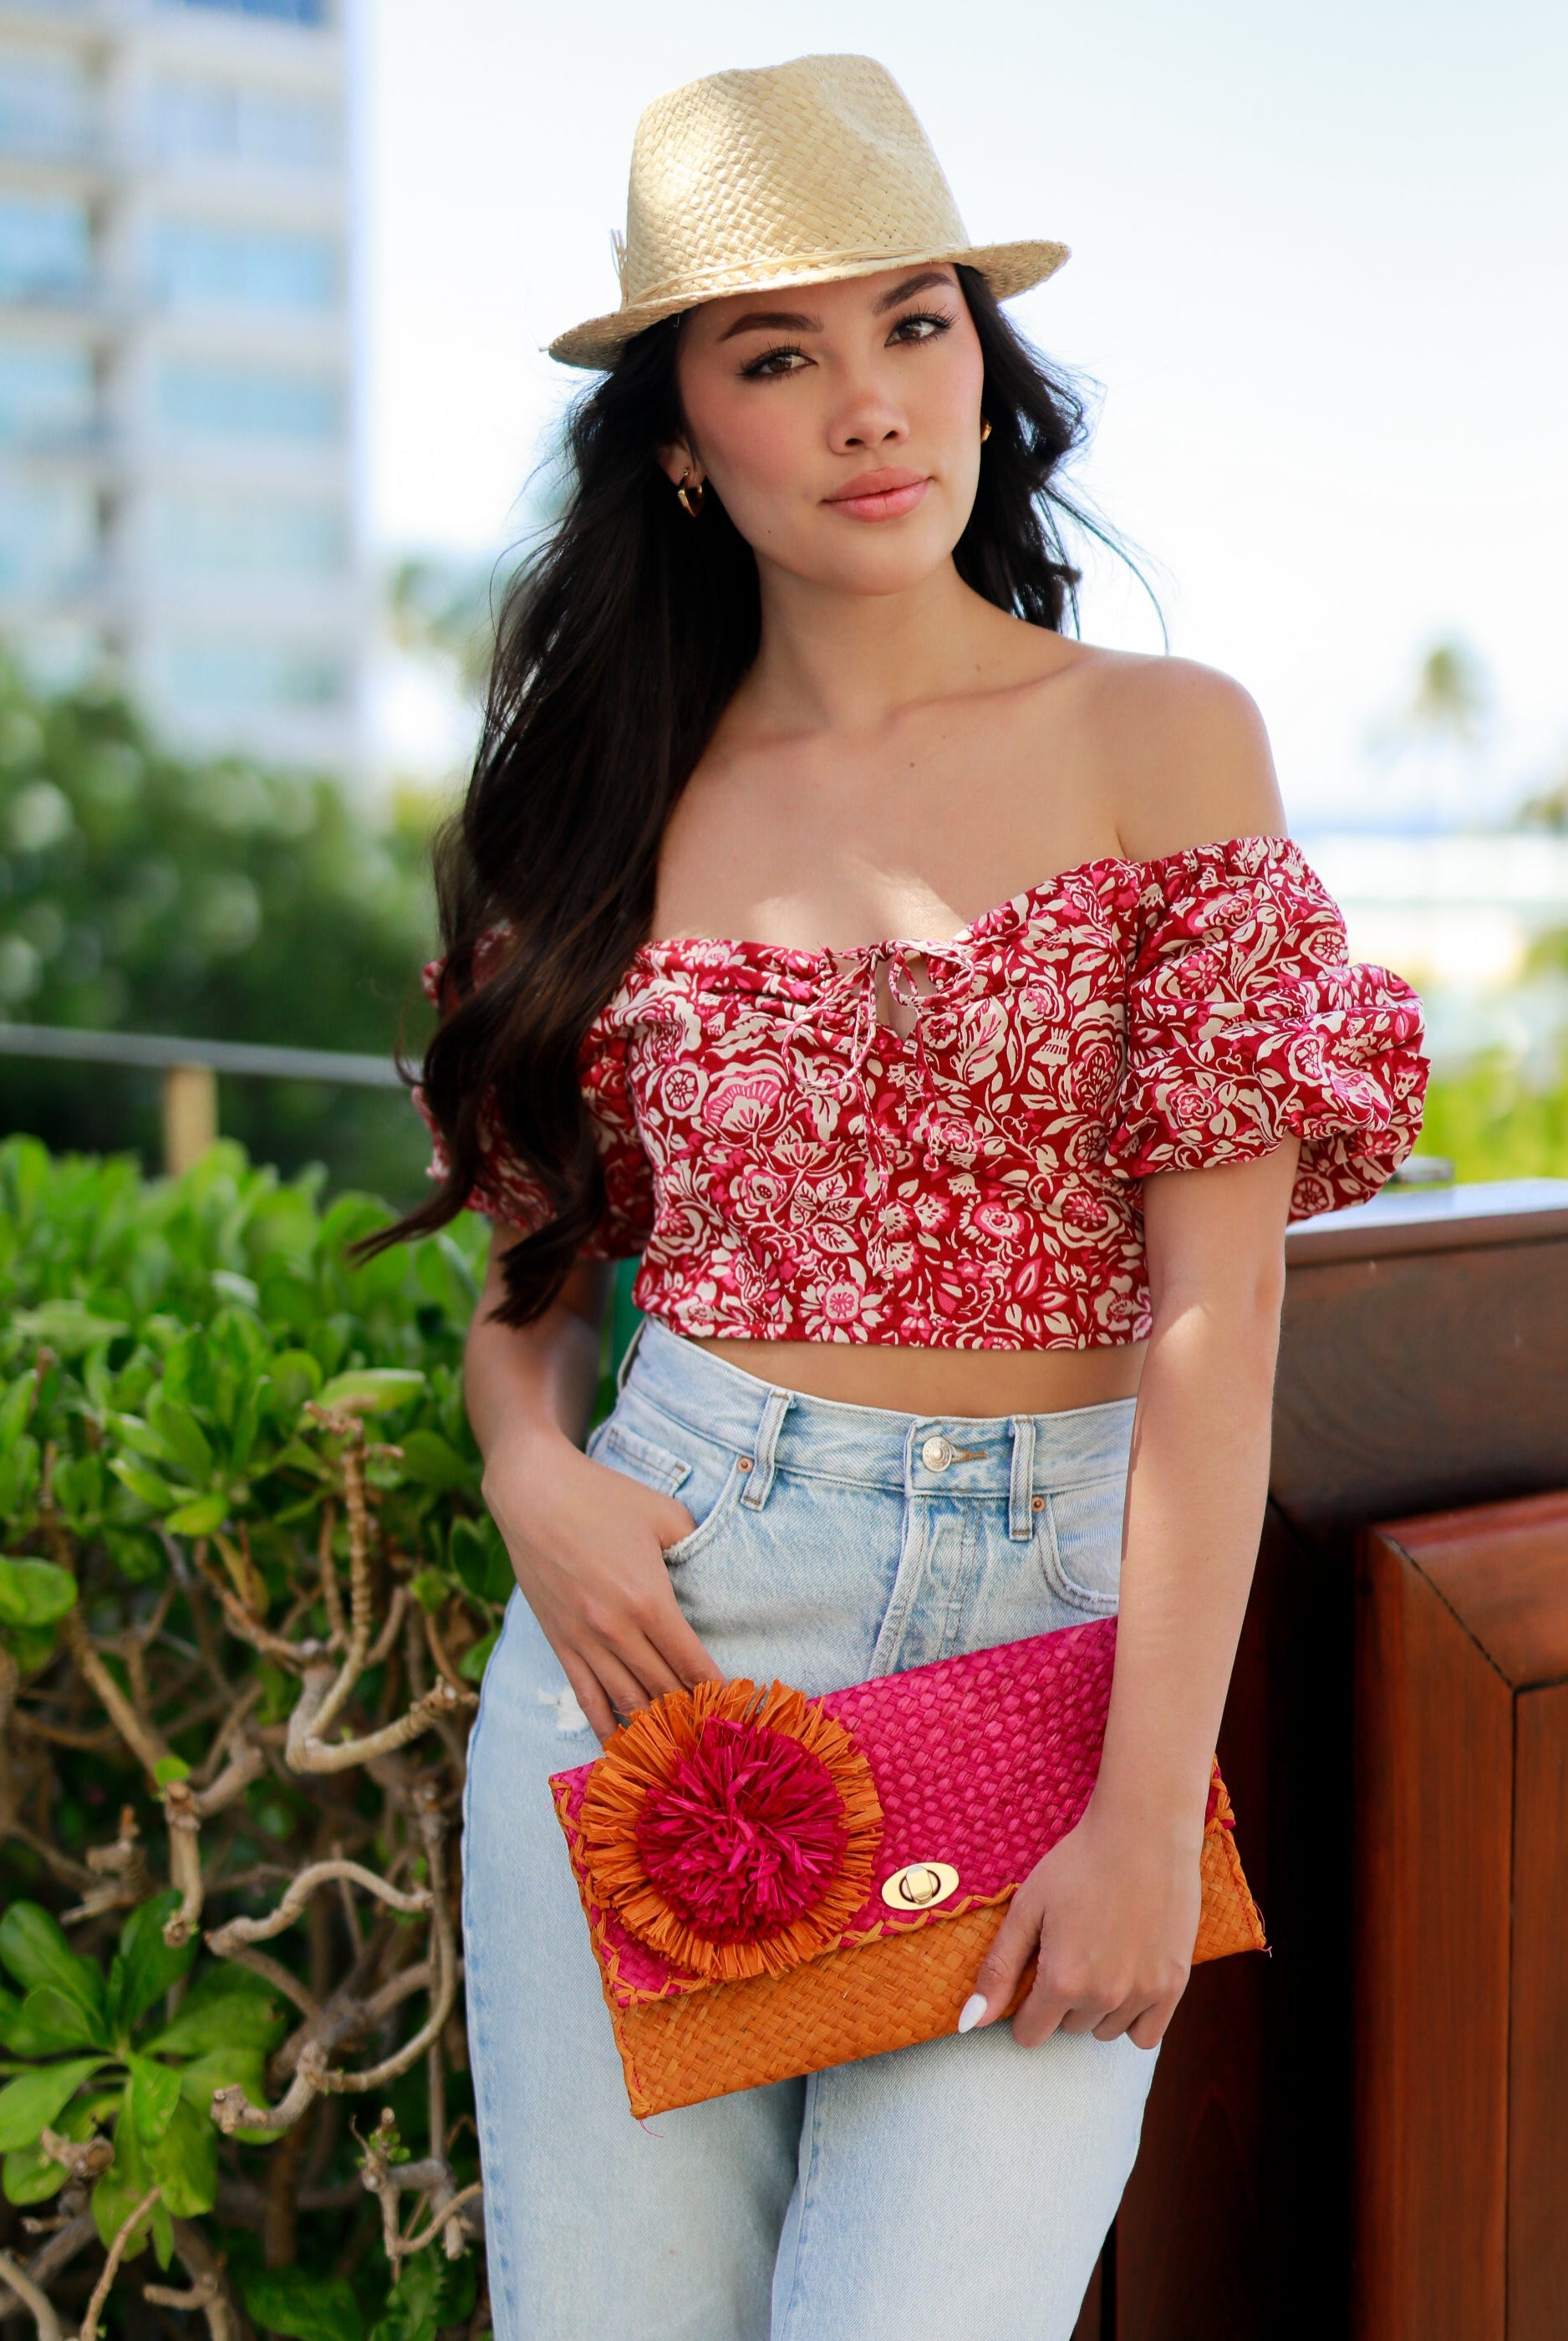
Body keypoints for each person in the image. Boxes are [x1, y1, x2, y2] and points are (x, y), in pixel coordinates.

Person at [384, 53, 1427, 2341]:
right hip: (656, 1635)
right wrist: (526, 1469)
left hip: (1055, 1647)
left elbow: (1208, 1324)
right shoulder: (612, 800)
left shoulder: (1162, 736)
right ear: (677, 436)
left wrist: (1150, 1810)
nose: (870, 406)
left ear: (983, 360)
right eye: (779, 354)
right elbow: (532, 1273)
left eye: (915, 326)